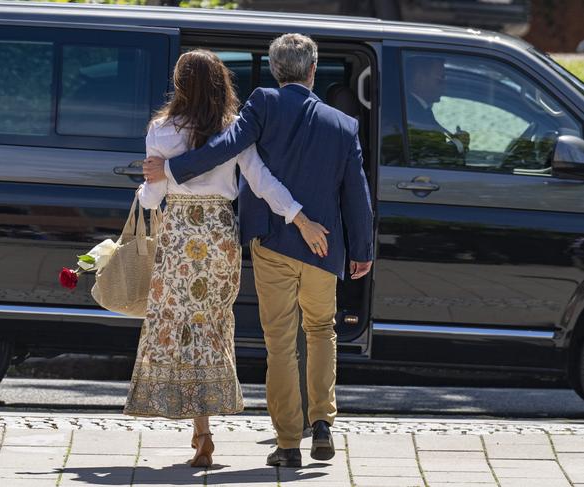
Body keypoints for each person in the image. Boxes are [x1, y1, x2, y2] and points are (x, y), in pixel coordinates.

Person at [143, 34, 374, 468]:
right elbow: (356, 194)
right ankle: (322, 422)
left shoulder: (262, 104)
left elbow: (226, 147)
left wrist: (173, 169)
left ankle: (288, 443)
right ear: (311, 71)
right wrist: (361, 249)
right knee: (322, 330)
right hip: (324, 244)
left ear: (275, 69)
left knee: (281, 343)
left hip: (272, 242)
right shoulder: (345, 125)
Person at [405, 55, 470, 164]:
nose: (445, 85)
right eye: (440, 79)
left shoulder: (419, 109)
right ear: (419, 79)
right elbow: (431, 153)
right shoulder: (412, 113)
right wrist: (458, 144)